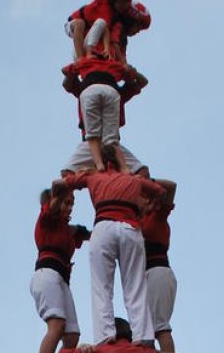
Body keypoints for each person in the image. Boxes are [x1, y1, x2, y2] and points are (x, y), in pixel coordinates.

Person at [54, 145, 166, 347]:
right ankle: (143, 336)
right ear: (120, 159)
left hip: (103, 226)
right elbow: (159, 191)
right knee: (135, 286)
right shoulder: (133, 179)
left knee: (101, 287)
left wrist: (84, 175)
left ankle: (105, 336)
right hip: (130, 227)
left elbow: (59, 183)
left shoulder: (93, 177)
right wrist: (145, 205)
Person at [61, 61, 149, 177]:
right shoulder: (88, 89)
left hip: (110, 145)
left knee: (142, 172)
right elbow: (67, 84)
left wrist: (130, 72)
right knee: (67, 173)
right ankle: (96, 176)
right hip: (97, 143)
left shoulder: (114, 93)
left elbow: (141, 82)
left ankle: (127, 189)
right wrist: (74, 69)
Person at [31, 187, 92, 353]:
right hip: (47, 273)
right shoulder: (47, 220)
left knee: (72, 336)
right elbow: (52, 207)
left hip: (62, 280)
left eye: (72, 203)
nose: (70, 207)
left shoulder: (67, 229)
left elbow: (92, 235)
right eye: (66, 203)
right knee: (56, 325)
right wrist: (69, 185)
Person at [59, 0, 138, 60]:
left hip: (86, 40)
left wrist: (107, 50)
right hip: (73, 26)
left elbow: (107, 32)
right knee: (80, 23)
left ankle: (86, 55)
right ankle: (80, 60)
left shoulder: (114, 16)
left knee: (101, 23)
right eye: (124, 1)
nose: (126, 5)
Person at [142, 179, 178, 352]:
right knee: (144, 329)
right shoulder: (134, 219)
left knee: (159, 326)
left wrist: (145, 181)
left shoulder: (157, 214)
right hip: (147, 275)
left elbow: (171, 187)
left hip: (158, 271)